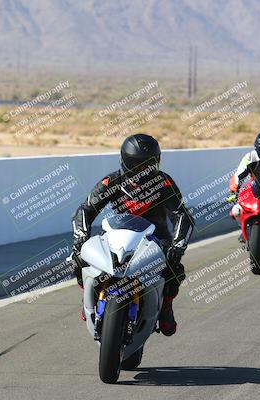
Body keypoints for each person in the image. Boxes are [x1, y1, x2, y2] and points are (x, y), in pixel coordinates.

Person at [71, 133, 194, 336]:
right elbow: (85, 209)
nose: (143, 171)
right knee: (79, 258)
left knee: (174, 268)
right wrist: (80, 239)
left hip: (156, 238)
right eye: (137, 165)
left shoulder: (164, 183)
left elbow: (182, 215)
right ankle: (88, 298)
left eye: (149, 165)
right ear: (125, 161)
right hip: (117, 235)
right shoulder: (111, 181)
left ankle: (165, 307)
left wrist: (177, 247)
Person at [229, 132, 260, 231]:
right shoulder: (250, 157)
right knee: (236, 211)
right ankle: (245, 227)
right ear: (257, 149)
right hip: (256, 189)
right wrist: (234, 190)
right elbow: (239, 174)